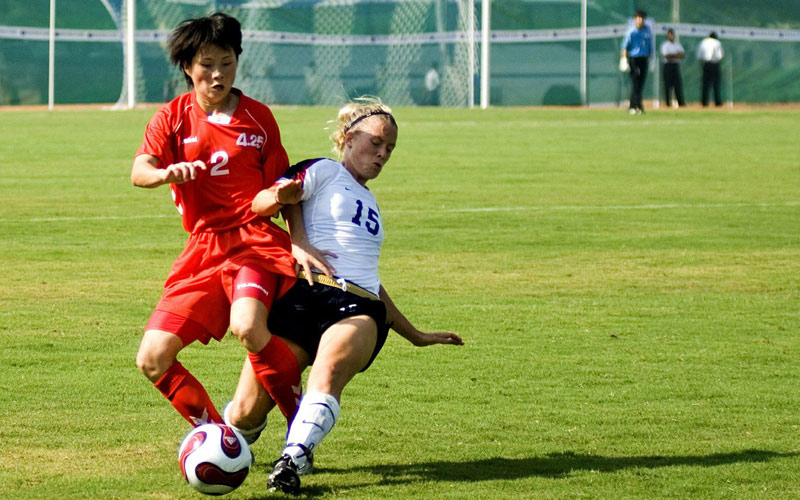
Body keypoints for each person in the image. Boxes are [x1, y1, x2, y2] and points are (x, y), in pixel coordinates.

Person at [223, 97, 464, 495]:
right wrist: (283, 200)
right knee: (245, 413)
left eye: (390, 148)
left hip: (358, 308)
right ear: (349, 139)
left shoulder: (371, 204)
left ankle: (293, 459)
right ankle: (226, 448)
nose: (383, 154)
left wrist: (416, 335)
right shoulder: (323, 170)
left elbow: (371, 284)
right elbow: (261, 203)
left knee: (329, 369)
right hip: (304, 300)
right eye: (376, 143)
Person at [131, 12, 323, 431]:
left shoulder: (258, 118)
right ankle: (221, 441)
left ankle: (302, 431)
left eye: (227, 63)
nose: (217, 74)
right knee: (152, 357)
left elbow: (284, 187)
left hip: (254, 242)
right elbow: (139, 169)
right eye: (207, 65)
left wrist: (299, 241)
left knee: (248, 325)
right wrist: (164, 174)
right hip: (202, 249)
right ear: (188, 66)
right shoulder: (172, 117)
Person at [621, 10, 653, 114]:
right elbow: (625, 46)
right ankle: (637, 106)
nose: (640, 20)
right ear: (635, 19)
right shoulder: (631, 31)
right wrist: (624, 59)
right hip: (634, 58)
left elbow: (650, 45)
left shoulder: (647, 30)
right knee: (635, 83)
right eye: (638, 18)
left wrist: (651, 58)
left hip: (644, 58)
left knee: (641, 83)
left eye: (642, 18)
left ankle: (634, 106)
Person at [697, 32, 724, 107]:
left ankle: (704, 102)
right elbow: (719, 56)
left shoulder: (703, 42)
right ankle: (717, 102)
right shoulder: (717, 43)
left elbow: (699, 55)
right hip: (714, 64)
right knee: (716, 84)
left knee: (705, 84)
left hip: (706, 64)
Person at [660, 28, 686, 108]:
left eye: (672, 35)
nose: (671, 36)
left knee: (677, 84)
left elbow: (682, 54)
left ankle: (681, 103)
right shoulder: (665, 45)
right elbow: (666, 56)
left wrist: (673, 55)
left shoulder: (677, 45)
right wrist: (676, 55)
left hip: (675, 65)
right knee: (667, 85)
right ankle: (668, 103)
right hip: (668, 66)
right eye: (669, 35)